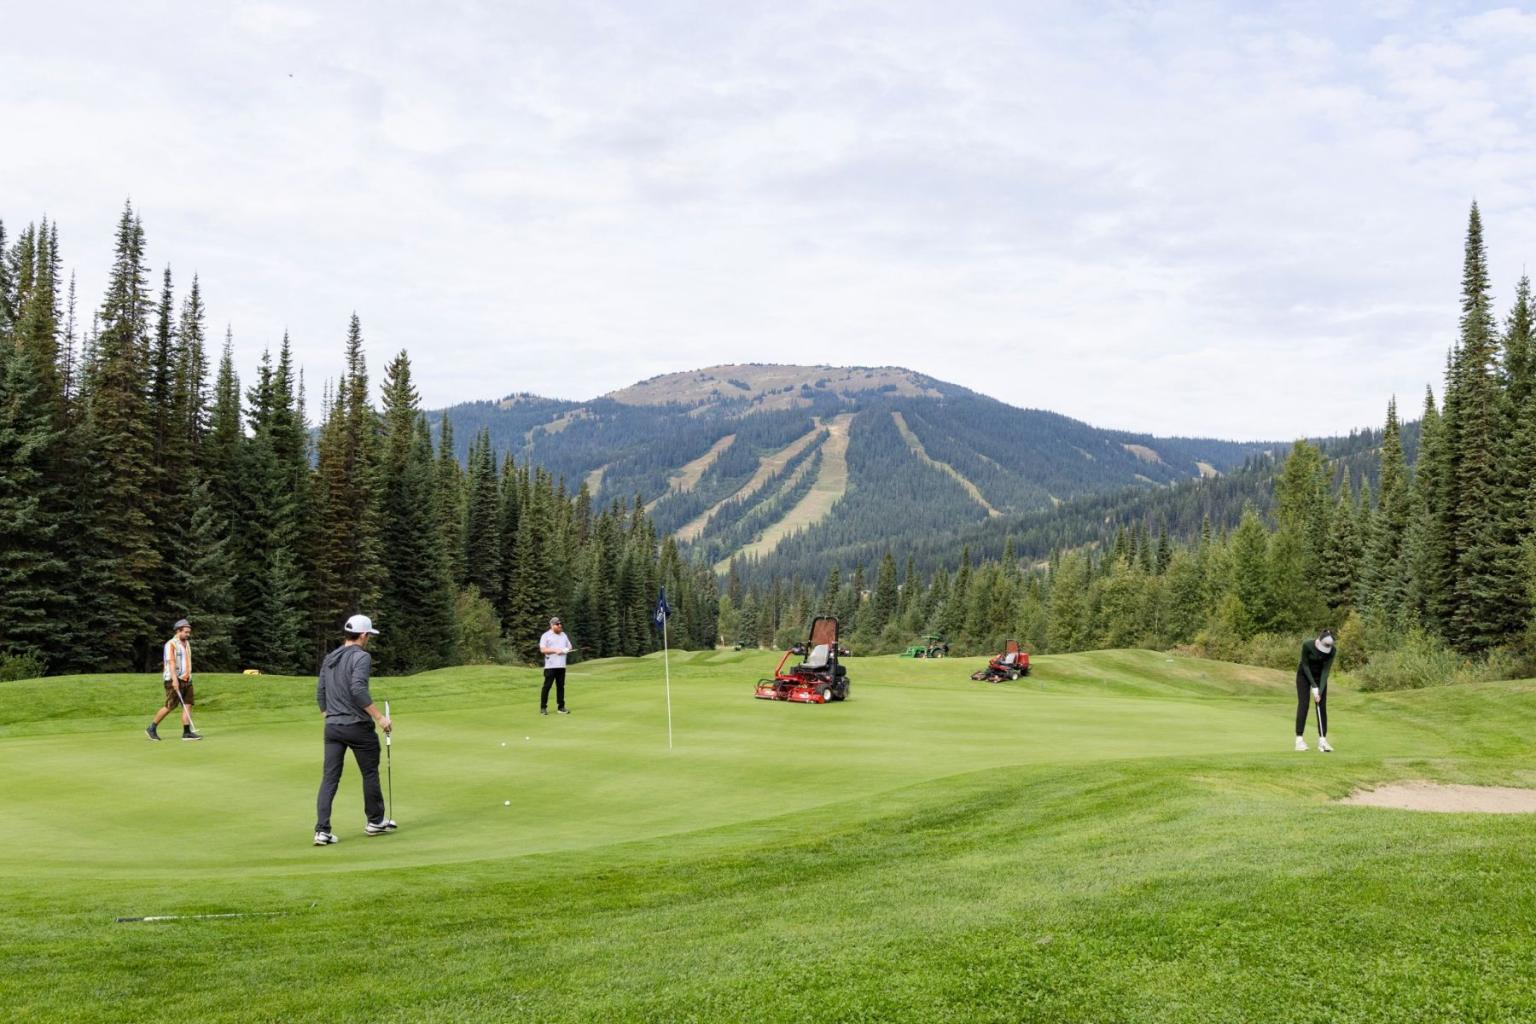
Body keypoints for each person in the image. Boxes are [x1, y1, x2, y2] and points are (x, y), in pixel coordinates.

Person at [313, 614, 396, 846]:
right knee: (369, 773)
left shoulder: (330, 657)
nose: (368, 638)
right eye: (368, 635)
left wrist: (330, 716)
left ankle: (322, 831)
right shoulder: (362, 656)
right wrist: (380, 717)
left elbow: (320, 693)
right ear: (362, 635)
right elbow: (358, 689)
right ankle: (375, 821)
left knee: (330, 778)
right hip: (358, 727)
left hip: (332, 728)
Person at [146, 618, 200, 741]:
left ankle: (187, 733)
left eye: (189, 632)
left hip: (187, 678)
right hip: (173, 679)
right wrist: (175, 680)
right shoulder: (171, 644)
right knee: (170, 705)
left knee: (188, 704)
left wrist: (188, 677)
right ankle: (151, 728)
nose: (188, 634)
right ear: (178, 631)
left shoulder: (186, 643)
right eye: (186, 632)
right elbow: (171, 663)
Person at [1294, 628, 1336, 753]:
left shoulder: (1332, 651)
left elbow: (1325, 671)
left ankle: (1322, 740)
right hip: (1304, 675)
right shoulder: (1307, 645)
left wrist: (1320, 690)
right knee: (1304, 704)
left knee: (1321, 706)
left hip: (1320, 678)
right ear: (1318, 641)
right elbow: (1305, 665)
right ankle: (1299, 740)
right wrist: (1313, 686)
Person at [539, 616, 574, 716]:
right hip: (550, 666)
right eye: (557, 624)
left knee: (560, 687)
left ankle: (561, 707)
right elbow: (543, 649)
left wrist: (565, 650)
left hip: (561, 666)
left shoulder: (563, 635)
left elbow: (570, 646)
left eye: (560, 624)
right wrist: (555, 650)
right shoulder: (546, 636)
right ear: (552, 625)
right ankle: (543, 707)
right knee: (547, 687)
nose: (560, 626)